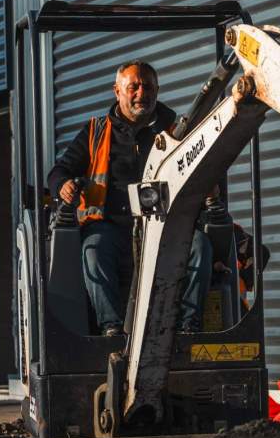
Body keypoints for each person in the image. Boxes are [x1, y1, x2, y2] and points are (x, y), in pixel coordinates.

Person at [47, 59, 211, 335]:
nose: (140, 93)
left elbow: (205, 168)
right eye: (133, 87)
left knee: (200, 246)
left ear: (157, 90)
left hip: (164, 227)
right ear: (117, 91)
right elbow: (59, 171)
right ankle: (111, 328)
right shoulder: (95, 132)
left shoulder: (177, 130)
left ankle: (187, 327)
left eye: (147, 86)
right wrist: (63, 184)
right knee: (93, 249)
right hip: (111, 227)